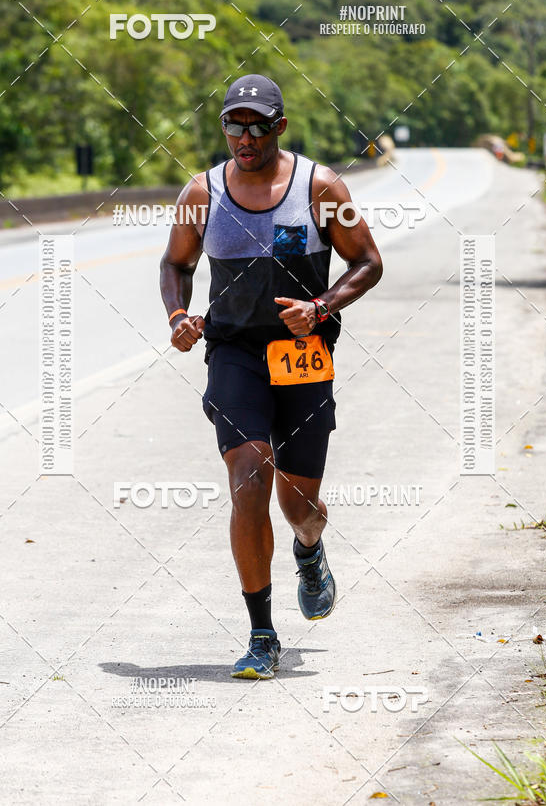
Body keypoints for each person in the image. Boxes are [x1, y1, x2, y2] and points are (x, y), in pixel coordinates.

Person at [160, 73, 382, 679]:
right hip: (233, 353)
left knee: (300, 504)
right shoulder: (201, 193)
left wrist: (322, 307)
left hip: (302, 356)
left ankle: (309, 551)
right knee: (249, 471)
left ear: (279, 126)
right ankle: (262, 632)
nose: (245, 136)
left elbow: (367, 262)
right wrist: (178, 314)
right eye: (234, 124)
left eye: (258, 124)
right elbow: (176, 263)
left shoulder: (319, 186)